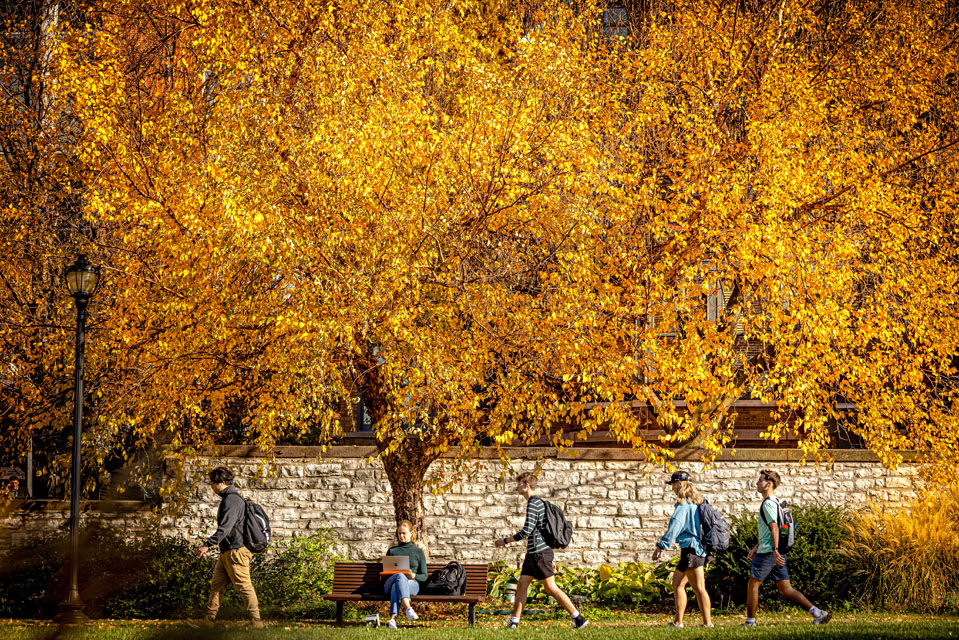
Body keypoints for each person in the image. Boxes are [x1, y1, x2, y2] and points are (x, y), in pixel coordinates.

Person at [494, 472, 588, 629]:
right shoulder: (536, 503)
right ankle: (514, 623)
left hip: (539, 554)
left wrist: (504, 541)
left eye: (519, 483)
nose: (517, 486)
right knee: (522, 584)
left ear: (527, 485)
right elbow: (541, 532)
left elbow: (527, 531)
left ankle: (578, 618)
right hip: (535, 554)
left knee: (550, 588)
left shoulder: (534, 503)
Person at [743, 469, 831, 627]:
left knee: (753, 585)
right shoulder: (775, 501)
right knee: (785, 589)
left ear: (768, 484)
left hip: (770, 552)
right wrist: (757, 546)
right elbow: (768, 530)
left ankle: (750, 622)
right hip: (774, 550)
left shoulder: (769, 503)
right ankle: (818, 613)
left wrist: (774, 551)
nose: (757, 483)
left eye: (760, 481)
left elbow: (775, 528)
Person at [190, 466, 264, 629]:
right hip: (227, 551)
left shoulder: (231, 500)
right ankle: (208, 620)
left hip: (236, 551)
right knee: (217, 586)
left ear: (221, 483)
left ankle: (256, 622)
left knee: (244, 586)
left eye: (213, 483)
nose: (211, 486)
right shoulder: (230, 499)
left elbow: (226, 528)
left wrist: (207, 544)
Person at [651, 470, 713, 628]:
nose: (671, 488)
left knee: (699, 588)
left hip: (692, 550)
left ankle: (708, 623)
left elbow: (675, 528)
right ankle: (678, 622)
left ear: (679, 484)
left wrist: (661, 546)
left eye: (672, 484)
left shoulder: (684, 504)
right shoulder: (697, 501)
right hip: (694, 549)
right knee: (678, 584)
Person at [383, 519, 427, 629]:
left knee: (397, 586)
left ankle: (392, 619)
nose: (401, 536)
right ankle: (408, 609)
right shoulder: (392, 551)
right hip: (391, 580)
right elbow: (384, 572)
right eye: (399, 533)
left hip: (411, 583)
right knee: (400, 576)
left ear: (411, 533)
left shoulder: (418, 552)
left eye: (404, 533)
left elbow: (425, 576)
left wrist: (414, 576)